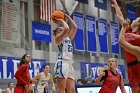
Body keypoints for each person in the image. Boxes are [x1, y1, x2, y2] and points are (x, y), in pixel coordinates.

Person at [112, 0, 140, 93]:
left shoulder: (138, 34)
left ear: (138, 23)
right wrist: (115, 3)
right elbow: (120, 16)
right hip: (130, 65)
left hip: (138, 63)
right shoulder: (127, 30)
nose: (133, 19)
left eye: (136, 19)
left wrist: (136, 36)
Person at [53, 12, 77, 93]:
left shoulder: (68, 39)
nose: (62, 30)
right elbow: (66, 28)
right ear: (56, 33)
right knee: (61, 90)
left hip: (69, 64)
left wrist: (68, 17)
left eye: (62, 30)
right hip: (62, 63)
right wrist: (61, 20)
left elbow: (75, 27)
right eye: (60, 30)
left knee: (72, 90)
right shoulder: (57, 39)